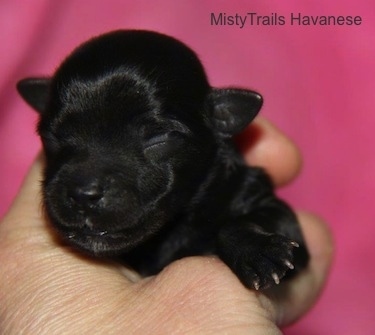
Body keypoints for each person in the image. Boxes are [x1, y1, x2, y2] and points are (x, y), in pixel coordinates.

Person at [0, 118, 333, 334]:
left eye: (158, 140)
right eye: (61, 140)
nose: (89, 186)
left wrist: (243, 238)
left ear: (222, 121)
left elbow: (288, 242)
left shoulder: (230, 186)